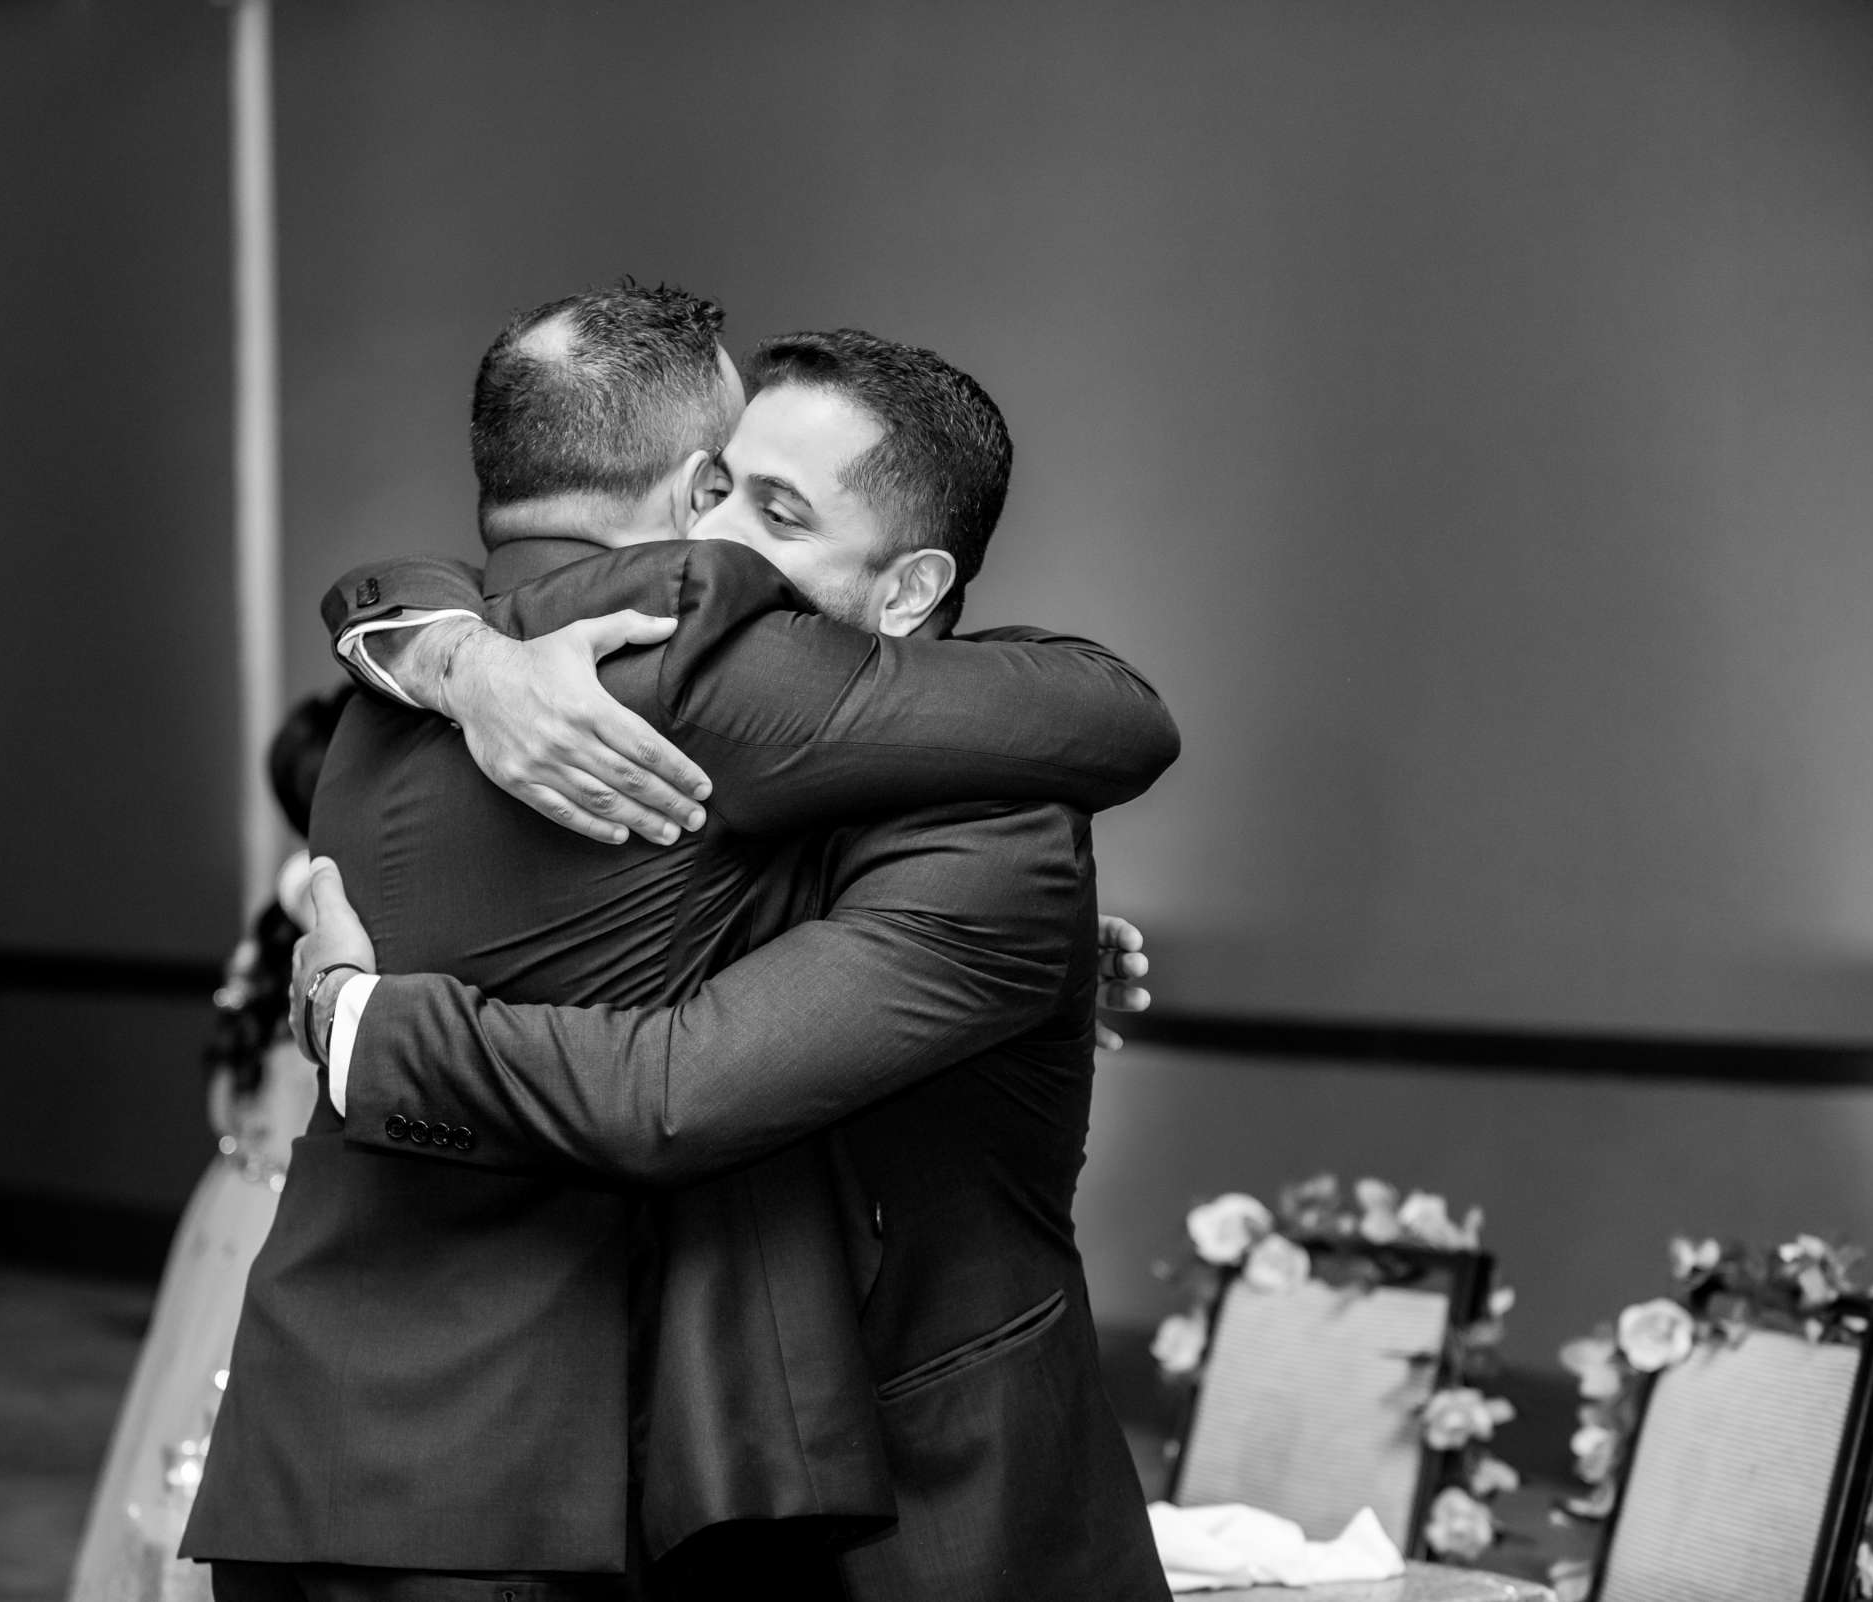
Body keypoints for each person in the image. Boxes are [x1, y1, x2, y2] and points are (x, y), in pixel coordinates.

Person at [186, 288, 1177, 1602]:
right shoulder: (571, 672)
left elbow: (681, 1083)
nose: (710, 539)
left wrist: (364, 1025)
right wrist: (453, 649)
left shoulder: (977, 825)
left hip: (936, 1510)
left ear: (911, 586)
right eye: (715, 490)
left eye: (770, 510)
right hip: (612, 1489)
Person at [67, 696, 344, 1602]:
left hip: (234, 1194)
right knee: (239, 1442)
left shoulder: (270, 930)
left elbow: (223, 1099)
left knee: (197, 1429)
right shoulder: (334, 918)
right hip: (299, 1212)